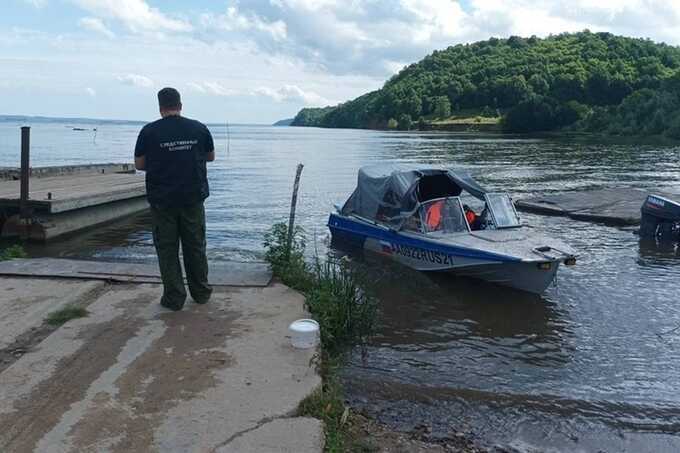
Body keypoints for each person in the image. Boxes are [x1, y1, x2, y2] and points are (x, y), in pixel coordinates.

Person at [134, 87, 215, 311]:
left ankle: (174, 298)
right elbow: (210, 156)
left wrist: (163, 160)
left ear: (160, 108)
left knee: (167, 249)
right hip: (192, 198)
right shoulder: (199, 128)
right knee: (195, 246)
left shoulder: (149, 131)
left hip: (162, 200)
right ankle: (201, 293)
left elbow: (140, 165)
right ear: (180, 105)